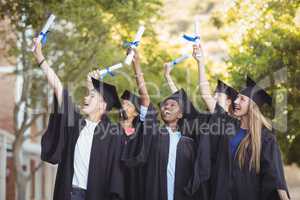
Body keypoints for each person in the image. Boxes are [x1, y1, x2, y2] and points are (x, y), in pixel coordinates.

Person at [33, 38, 125, 200]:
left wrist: (93, 86)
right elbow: (58, 87)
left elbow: (116, 174)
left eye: (91, 96)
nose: (85, 98)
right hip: (69, 193)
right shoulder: (75, 123)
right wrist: (40, 56)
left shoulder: (113, 133)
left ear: (103, 105)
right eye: (86, 95)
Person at [192, 44, 237, 113]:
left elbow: (206, 96)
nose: (214, 97)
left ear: (228, 102)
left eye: (218, 95)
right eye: (214, 95)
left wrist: (200, 62)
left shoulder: (225, 118)